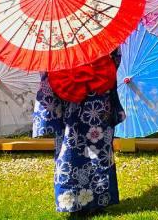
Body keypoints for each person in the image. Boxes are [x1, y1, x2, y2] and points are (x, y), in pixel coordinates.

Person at [33, 54, 125, 215]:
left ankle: (76, 201)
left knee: (72, 148)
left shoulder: (56, 35)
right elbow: (115, 58)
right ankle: (96, 200)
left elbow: (46, 67)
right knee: (94, 148)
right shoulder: (100, 33)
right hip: (95, 93)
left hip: (73, 89)